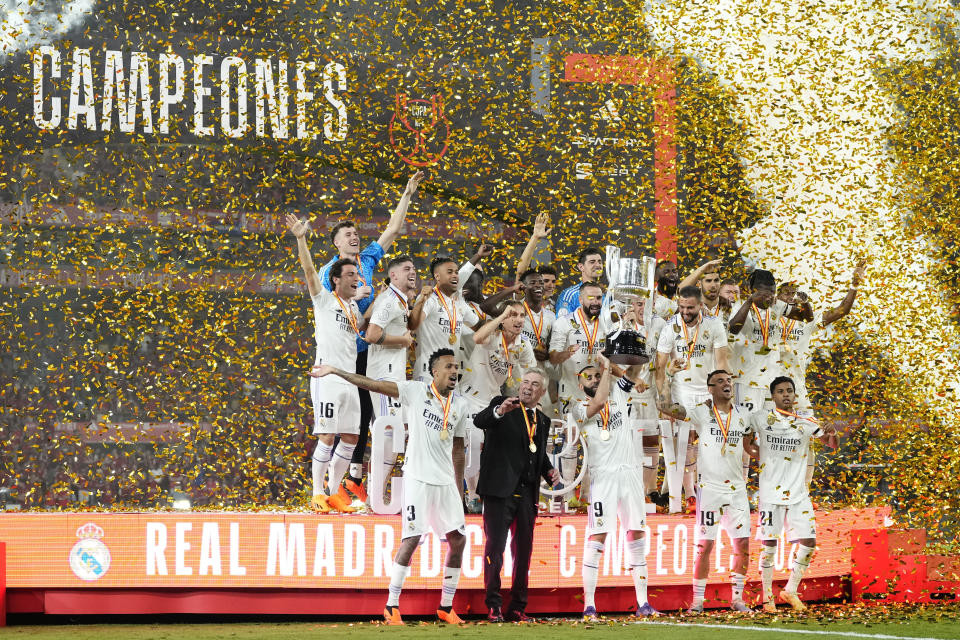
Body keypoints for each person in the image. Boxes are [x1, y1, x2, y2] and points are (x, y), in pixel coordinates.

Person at [309, 349, 469, 625]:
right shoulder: (416, 391)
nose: (455, 371)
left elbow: (457, 448)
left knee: (458, 540)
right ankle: (392, 605)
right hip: (418, 478)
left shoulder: (460, 405)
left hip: (445, 482)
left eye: (457, 367)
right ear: (435, 371)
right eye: (449, 366)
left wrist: (458, 487)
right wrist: (336, 371)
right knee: (412, 539)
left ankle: (445, 606)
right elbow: (374, 384)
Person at [318, 172, 424, 505]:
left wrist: (407, 193)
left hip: (370, 350)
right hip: (348, 351)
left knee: (371, 416)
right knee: (351, 419)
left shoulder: (367, 259)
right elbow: (328, 306)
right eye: (348, 234)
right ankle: (345, 482)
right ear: (336, 242)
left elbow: (392, 228)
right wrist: (357, 294)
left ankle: (356, 481)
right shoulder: (329, 271)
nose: (355, 237)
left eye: (356, 233)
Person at [285, 214, 365, 513]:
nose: (355, 278)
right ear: (336, 278)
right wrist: (301, 239)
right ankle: (317, 492)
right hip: (326, 376)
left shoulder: (354, 306)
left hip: (350, 378)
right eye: (349, 274)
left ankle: (334, 493)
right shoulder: (324, 299)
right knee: (327, 435)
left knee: (351, 437)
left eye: (356, 274)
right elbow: (307, 270)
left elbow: (360, 333)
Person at [659, 369, 754, 614]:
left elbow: (750, 444)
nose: (727, 384)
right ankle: (698, 601)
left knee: (742, 545)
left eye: (729, 380)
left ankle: (737, 598)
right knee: (705, 545)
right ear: (710, 388)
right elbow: (672, 410)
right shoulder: (701, 412)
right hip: (710, 489)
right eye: (720, 381)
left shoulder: (744, 414)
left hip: (737, 489)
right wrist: (662, 388)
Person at [575, 356, 660, 620]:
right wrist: (605, 367)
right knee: (598, 537)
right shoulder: (576, 407)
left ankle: (643, 602)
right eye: (588, 377)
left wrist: (632, 352)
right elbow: (598, 402)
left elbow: (634, 370)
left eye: (596, 376)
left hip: (630, 474)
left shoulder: (620, 395)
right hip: (604, 478)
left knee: (636, 534)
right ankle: (589, 604)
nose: (594, 379)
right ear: (580, 386)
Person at [474, 370, 561, 622]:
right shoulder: (503, 406)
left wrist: (549, 471)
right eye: (525, 382)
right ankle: (493, 605)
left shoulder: (542, 420)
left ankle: (518, 607)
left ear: (542, 392)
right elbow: (480, 422)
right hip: (499, 491)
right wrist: (499, 411)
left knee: (523, 552)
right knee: (495, 549)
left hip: (527, 492)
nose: (528, 387)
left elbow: (537, 452)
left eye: (535, 384)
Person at [746, 376, 838, 613]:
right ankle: (767, 598)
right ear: (772, 396)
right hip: (770, 493)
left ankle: (790, 590)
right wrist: (761, 455)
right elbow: (746, 442)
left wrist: (832, 432)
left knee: (809, 542)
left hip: (798, 493)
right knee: (769, 545)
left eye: (789, 391)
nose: (785, 395)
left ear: (795, 395)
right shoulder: (760, 418)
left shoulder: (807, 420)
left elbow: (831, 444)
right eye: (780, 391)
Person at [776, 261, 864, 485]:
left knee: (808, 438)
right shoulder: (766, 322)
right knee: (768, 439)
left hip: (798, 391)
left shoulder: (807, 325)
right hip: (766, 391)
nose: (790, 298)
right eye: (784, 294)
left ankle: (803, 490)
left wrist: (854, 284)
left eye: (794, 294)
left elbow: (842, 311)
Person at [655, 286, 729, 512]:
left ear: (700, 305)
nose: (685, 312)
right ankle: (689, 494)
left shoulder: (714, 324)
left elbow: (722, 363)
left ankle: (707, 489)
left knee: (711, 442)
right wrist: (665, 400)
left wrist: (720, 394)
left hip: (707, 391)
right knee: (685, 443)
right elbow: (659, 367)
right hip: (682, 391)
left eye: (690, 308)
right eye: (682, 307)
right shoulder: (670, 328)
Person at [460, 301, 537, 511]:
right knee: (473, 447)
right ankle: (472, 494)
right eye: (513, 315)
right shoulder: (492, 334)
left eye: (522, 315)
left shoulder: (523, 345)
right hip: (469, 398)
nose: (519, 319)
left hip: (494, 401)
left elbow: (531, 376)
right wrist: (501, 316)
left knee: (494, 449)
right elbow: (477, 337)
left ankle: (490, 495)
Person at [363, 255, 418, 502]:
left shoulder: (400, 301)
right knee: (389, 435)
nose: (413, 272)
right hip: (383, 376)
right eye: (406, 269)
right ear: (393, 275)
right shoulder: (389, 301)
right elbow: (372, 334)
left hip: (393, 377)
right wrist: (403, 341)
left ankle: (376, 494)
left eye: (414, 269)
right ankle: (374, 497)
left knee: (395, 434)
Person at [728, 269, 812, 415]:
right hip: (747, 381)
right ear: (753, 291)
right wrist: (749, 301)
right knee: (746, 427)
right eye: (764, 294)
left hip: (772, 382)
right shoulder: (740, 305)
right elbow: (734, 329)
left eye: (772, 293)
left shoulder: (776, 305)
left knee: (770, 427)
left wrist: (805, 304)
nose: (769, 298)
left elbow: (805, 317)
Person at [409, 255, 483, 381]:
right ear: (437, 276)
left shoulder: (458, 304)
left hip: (450, 375)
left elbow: (480, 326)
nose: (455, 275)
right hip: (428, 374)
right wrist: (421, 300)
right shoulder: (429, 299)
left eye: (456, 272)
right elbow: (413, 325)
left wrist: (501, 319)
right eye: (449, 272)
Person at [556, 247, 604, 318]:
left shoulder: (606, 295)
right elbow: (563, 323)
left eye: (600, 262)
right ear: (581, 267)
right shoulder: (570, 295)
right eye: (592, 262)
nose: (598, 265)